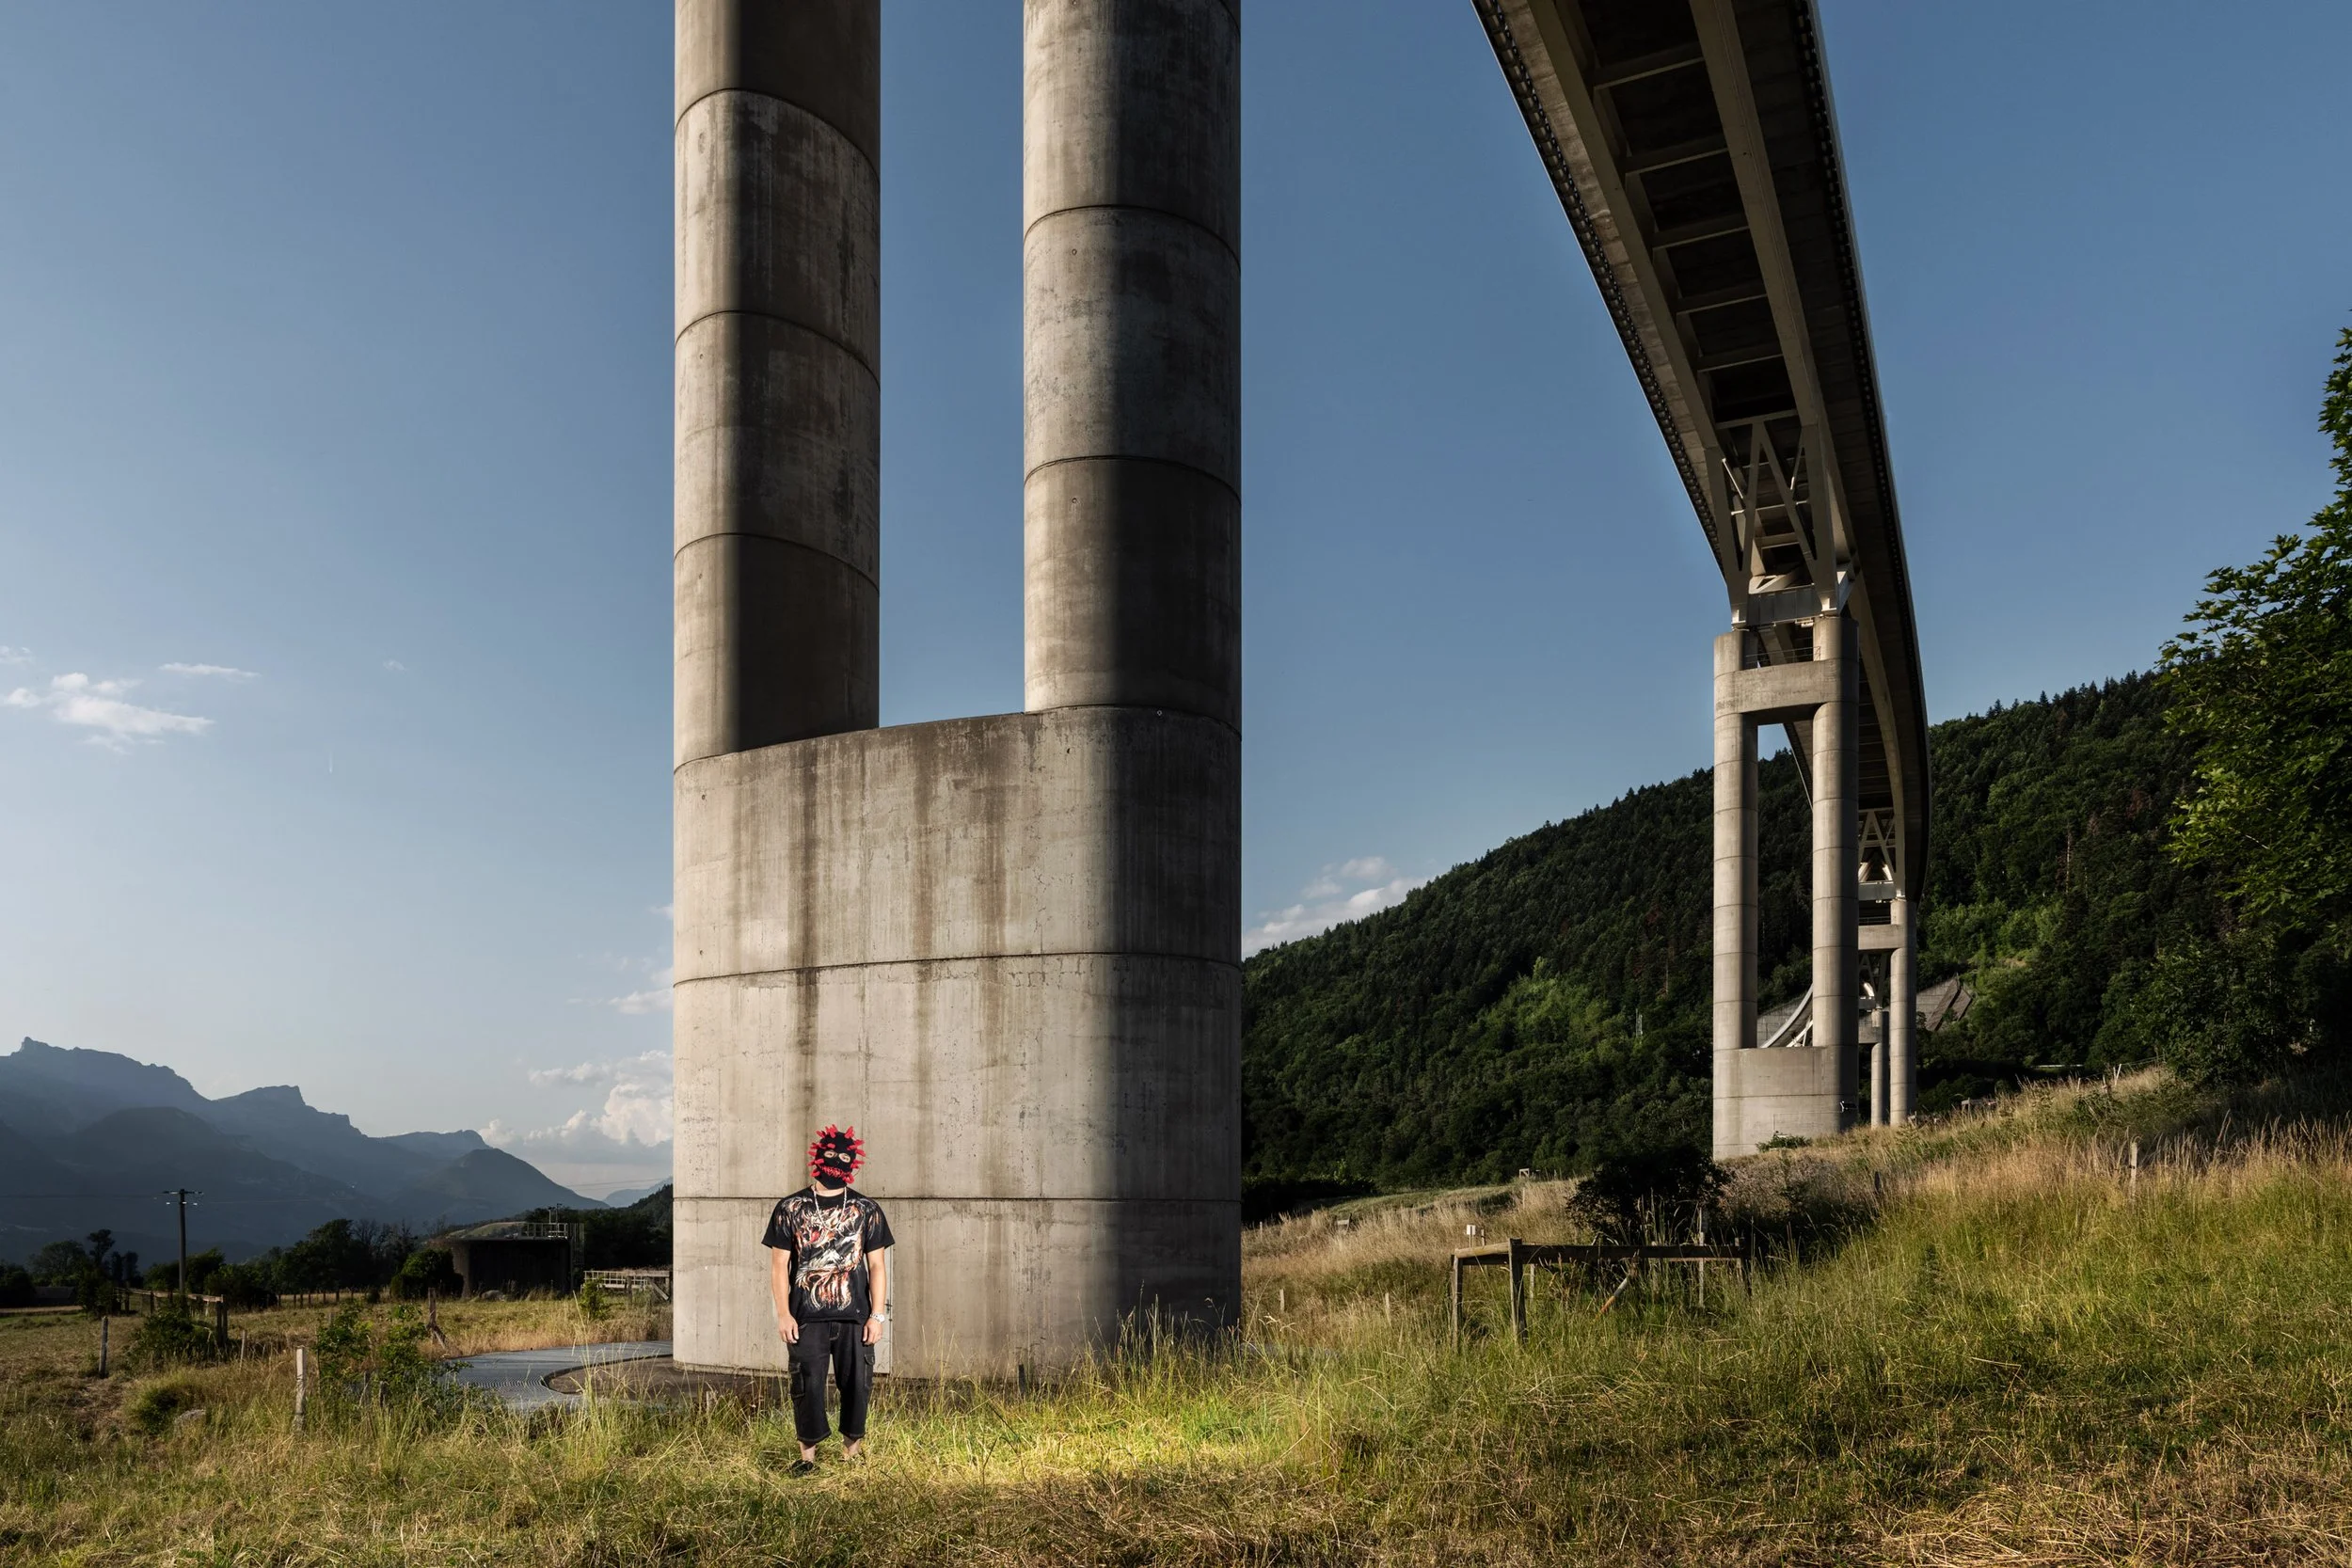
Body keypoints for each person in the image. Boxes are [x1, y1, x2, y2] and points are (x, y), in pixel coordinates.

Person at [763, 1123, 893, 1471]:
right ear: (817, 1158)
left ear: (855, 1162)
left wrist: (877, 1316)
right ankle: (807, 1461)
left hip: (856, 1316)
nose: (837, 1161)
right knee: (806, 1385)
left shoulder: (867, 1209)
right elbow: (779, 1265)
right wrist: (783, 1314)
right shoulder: (791, 1207)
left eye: (845, 1156)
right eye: (831, 1155)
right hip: (805, 1317)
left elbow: (877, 1266)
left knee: (858, 1385)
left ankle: (853, 1459)